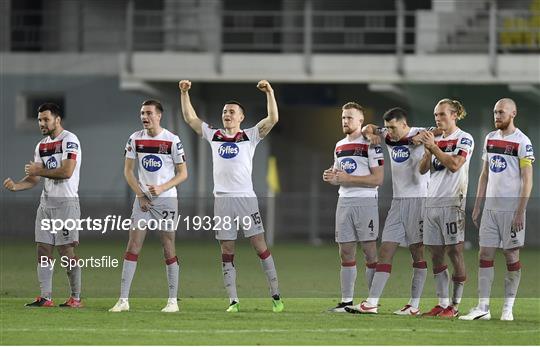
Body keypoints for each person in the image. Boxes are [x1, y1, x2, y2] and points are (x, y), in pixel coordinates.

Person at [179, 79, 284, 313]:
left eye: (232, 112)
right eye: (225, 111)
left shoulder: (250, 136)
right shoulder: (214, 135)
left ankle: (276, 295)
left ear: (241, 117)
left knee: (260, 246)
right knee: (227, 250)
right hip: (222, 201)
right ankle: (233, 300)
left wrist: (270, 92)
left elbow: (273, 118)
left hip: (246, 199)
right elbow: (190, 119)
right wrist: (184, 93)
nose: (227, 114)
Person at [346, 107, 431, 315]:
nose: (389, 132)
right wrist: (369, 133)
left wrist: (424, 136)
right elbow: (369, 127)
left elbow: (438, 130)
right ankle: (371, 303)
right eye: (387, 128)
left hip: (418, 202)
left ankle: (414, 305)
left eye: (393, 127)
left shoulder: (419, 131)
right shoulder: (388, 135)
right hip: (397, 202)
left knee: (417, 253)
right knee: (385, 249)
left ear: (404, 124)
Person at [109, 100, 188, 313]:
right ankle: (123, 300)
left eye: (149, 113)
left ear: (159, 115)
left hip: (167, 199)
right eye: (142, 113)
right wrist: (140, 195)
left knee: (168, 246)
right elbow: (128, 171)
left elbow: (183, 174)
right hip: (142, 200)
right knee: (133, 245)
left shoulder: (172, 140)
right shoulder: (135, 138)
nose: (145, 117)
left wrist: (162, 188)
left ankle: (173, 301)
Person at [460, 98, 534, 321]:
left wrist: (520, 211)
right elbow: (485, 174)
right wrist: (478, 204)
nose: (497, 116)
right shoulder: (490, 138)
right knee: (485, 254)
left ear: (513, 113)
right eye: (494, 112)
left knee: (511, 255)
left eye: (501, 112)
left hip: (511, 210)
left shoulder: (522, 142)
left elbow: (527, 179)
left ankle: (507, 309)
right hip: (490, 210)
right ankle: (483, 308)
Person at [3, 103, 83, 307]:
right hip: (46, 205)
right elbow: (33, 179)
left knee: (66, 251)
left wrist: (38, 171)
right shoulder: (41, 146)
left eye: (46, 119)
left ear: (57, 119)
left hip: (66, 203)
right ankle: (46, 297)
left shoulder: (70, 140)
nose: (42, 123)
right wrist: (16, 186)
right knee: (43, 249)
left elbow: (67, 172)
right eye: (39, 119)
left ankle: (76, 298)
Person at [323, 102, 384, 313]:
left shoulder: (371, 143)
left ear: (361, 120)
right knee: (345, 252)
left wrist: (347, 177)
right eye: (343, 118)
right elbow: (338, 174)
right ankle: (347, 301)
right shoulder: (339, 145)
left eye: (350, 117)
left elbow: (378, 179)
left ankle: (371, 303)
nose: (345, 121)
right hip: (344, 201)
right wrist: (331, 176)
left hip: (366, 201)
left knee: (369, 252)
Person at [417, 98, 474, 318]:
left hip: (452, 202)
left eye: (442, 114)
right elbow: (423, 170)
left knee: (454, 252)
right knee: (435, 254)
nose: (438, 119)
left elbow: (454, 165)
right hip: (431, 202)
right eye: (435, 115)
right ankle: (441, 304)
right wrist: (428, 150)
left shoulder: (464, 138)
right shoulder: (435, 139)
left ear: (454, 115)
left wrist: (434, 147)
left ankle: (455, 305)